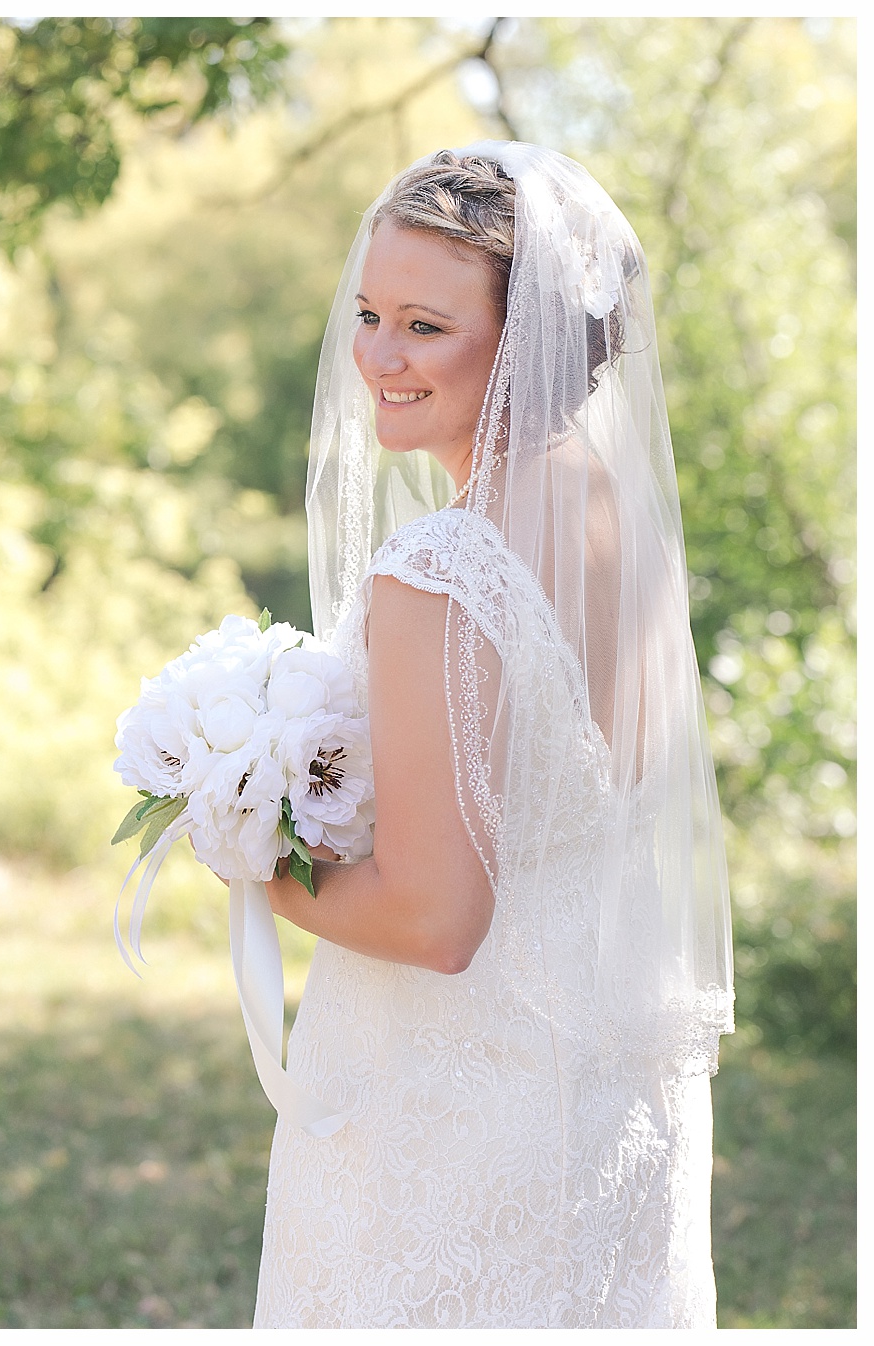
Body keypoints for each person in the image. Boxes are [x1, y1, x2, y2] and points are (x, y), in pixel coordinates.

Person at [239, 144, 734, 1326]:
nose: (376, 357)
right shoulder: (618, 519)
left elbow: (437, 917)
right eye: (368, 313)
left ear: (526, 342)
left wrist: (248, 857)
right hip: (608, 1091)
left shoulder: (440, 575)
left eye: (424, 325)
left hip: (454, 1112)